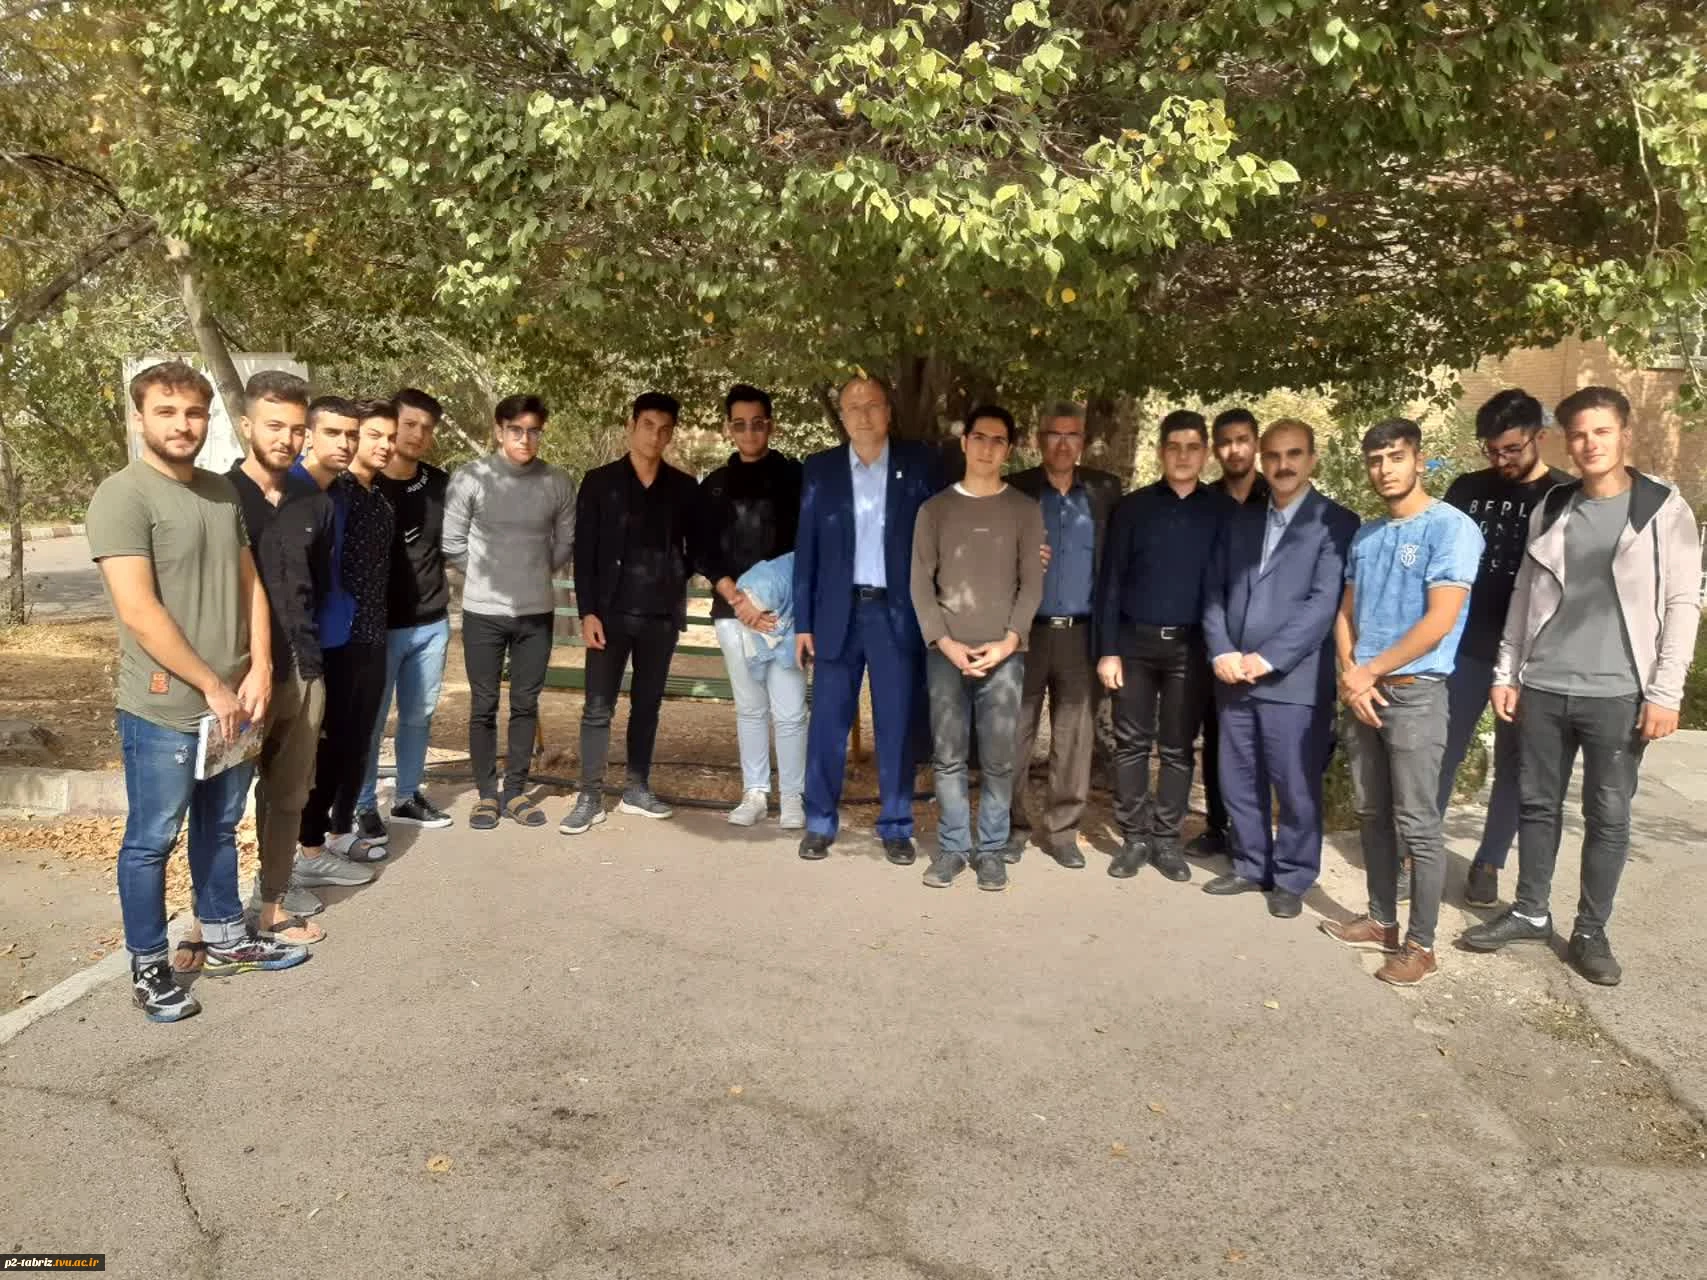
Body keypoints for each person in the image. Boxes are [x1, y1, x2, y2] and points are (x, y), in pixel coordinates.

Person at [87, 361, 307, 1022]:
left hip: (235, 704)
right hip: (165, 707)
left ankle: (225, 938)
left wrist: (260, 667)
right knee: (152, 839)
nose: (182, 425)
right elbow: (139, 611)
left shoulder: (218, 491)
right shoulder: (122, 497)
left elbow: (250, 583)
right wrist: (212, 685)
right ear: (138, 418)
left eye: (193, 413)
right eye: (166, 412)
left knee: (219, 825)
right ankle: (149, 965)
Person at [1464, 387, 1701, 986]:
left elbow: (1682, 602)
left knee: (1608, 815)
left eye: (1601, 431)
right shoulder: (1554, 506)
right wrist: (1507, 672)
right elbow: (1524, 593)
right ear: (1566, 442)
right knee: (1536, 804)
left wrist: (1665, 692)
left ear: (1625, 434)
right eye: (1578, 434)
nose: (1589, 443)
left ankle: (1591, 931)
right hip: (1543, 684)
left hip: (1618, 692)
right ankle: (1530, 911)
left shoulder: (1662, 508)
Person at [1322, 418, 1482, 986]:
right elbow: (1345, 613)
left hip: (1415, 696)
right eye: (1375, 460)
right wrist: (1352, 676)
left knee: (1418, 824)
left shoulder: (1451, 529)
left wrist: (1368, 671)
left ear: (1418, 459)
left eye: (1395, 457)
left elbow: (1439, 621)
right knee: (1371, 813)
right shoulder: (1366, 536)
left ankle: (1422, 946)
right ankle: (1382, 921)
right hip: (1363, 694)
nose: (1384, 469)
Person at [1201, 420, 1359, 917]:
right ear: (1262, 461)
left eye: (1293, 454)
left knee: (1294, 784)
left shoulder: (1337, 522)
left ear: (1312, 459)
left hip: (1294, 680)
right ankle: (1250, 864)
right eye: (1273, 455)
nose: (1283, 464)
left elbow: (1323, 604)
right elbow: (1213, 590)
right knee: (1238, 777)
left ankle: (1292, 876)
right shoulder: (1240, 519)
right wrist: (1221, 650)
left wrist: (1267, 658)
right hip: (1233, 676)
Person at [795, 375, 943, 865]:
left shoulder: (919, 466)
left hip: (895, 614)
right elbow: (807, 550)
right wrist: (802, 623)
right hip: (836, 615)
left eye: (872, 404)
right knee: (828, 723)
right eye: (853, 407)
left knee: (896, 723)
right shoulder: (821, 469)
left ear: (888, 411)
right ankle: (820, 821)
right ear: (842, 417)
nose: (863, 414)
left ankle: (896, 825)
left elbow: (946, 531)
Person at [1437, 389, 1570, 906]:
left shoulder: (1565, 496)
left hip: (1532, 657)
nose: (1501, 460)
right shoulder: (1467, 489)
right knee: (1440, 751)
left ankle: (1489, 861)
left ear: (1540, 436)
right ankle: (1415, 852)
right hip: (1464, 647)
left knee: (1515, 764)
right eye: (1492, 450)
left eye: (1512, 449)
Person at [911, 405, 1046, 891]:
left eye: (998, 440)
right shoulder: (935, 510)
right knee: (947, 757)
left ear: (1008, 450)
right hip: (946, 653)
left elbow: (1031, 585)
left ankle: (990, 851)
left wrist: (1009, 641)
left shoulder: (1025, 511)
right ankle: (952, 848)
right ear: (964, 442)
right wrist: (944, 641)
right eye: (980, 438)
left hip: (1004, 656)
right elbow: (920, 584)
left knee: (998, 760)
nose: (988, 448)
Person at [223, 371, 335, 945]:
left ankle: (271, 904)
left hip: (304, 671)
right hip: (237, 679)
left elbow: (318, 586)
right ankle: (213, 917)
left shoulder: (315, 501)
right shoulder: (218, 498)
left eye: (296, 429)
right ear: (246, 426)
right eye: (274, 426)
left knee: (289, 796)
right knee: (221, 807)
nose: (286, 439)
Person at [1096, 410, 1232, 882]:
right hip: (1134, 643)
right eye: (1174, 447)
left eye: (1193, 448)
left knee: (1177, 748)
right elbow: (1110, 582)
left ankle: (1167, 840)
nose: (1183, 456)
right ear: (1160, 452)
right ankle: (1134, 838)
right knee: (1131, 745)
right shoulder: (1133, 509)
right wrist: (1108, 649)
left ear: (1205, 454)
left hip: (1191, 649)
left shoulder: (1221, 512)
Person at [563, 392, 702, 834]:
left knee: (647, 706)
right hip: (609, 615)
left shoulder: (683, 488)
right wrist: (588, 612)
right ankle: (589, 796)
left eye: (664, 429)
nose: (655, 436)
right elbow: (584, 554)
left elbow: (696, 548)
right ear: (632, 426)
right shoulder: (599, 482)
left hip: (659, 617)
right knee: (597, 708)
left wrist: (677, 574)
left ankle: (637, 788)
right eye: (648, 426)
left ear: (671, 434)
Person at [443, 393, 576, 831]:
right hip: (482, 612)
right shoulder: (470, 477)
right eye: (516, 430)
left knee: (525, 703)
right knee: (483, 705)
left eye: (533, 431)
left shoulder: (557, 481)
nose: (525, 438)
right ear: (499, 431)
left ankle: (515, 791)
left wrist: (532, 571)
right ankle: (486, 794)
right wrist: (489, 577)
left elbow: (564, 542)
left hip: (536, 613)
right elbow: (452, 542)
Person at [1007, 402, 1123, 869]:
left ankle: (1062, 831)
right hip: (1024, 633)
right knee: (1013, 734)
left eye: (1071, 434)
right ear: (1039, 440)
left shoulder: (1105, 492)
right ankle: (1012, 826)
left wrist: (1112, 643)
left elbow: (1115, 568)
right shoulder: (1016, 490)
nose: (1062, 443)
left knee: (1074, 739)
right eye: (1053, 434)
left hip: (1081, 633)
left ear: (1083, 441)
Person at [280, 396, 379, 896]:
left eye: (351, 435)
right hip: (296, 647)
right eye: (334, 433)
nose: (345, 443)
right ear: (309, 436)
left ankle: (315, 849)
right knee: (299, 760)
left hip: (339, 637)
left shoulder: (338, 493)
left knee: (337, 746)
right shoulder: (287, 491)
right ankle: (291, 865)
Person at [697, 384, 807, 828]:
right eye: (739, 424)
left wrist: (770, 603)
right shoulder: (714, 486)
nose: (749, 433)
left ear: (771, 426)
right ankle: (755, 792)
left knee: (791, 711)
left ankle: (794, 798)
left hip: (784, 616)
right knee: (750, 708)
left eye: (757, 424)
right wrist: (737, 599)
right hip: (732, 613)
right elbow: (702, 549)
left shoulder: (796, 478)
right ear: (729, 428)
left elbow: (809, 544)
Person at [297, 399, 396, 870]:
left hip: (374, 633)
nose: (384, 445)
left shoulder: (379, 498)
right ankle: (310, 844)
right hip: (336, 637)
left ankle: (341, 832)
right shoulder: (334, 494)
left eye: (389, 437)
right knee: (330, 744)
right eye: (373, 435)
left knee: (359, 739)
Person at [355, 388, 455, 840]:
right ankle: (361, 803)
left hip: (431, 622)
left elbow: (454, 546)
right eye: (409, 424)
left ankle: (407, 796)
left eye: (426, 428)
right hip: (377, 627)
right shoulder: (364, 482)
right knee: (372, 720)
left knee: (419, 714)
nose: (417, 434)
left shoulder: (440, 484)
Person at [1192, 407, 1271, 857]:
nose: (1234, 449)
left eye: (1242, 440)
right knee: (1217, 734)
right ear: (1214, 450)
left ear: (1255, 443)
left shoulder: (1277, 495)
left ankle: (1256, 833)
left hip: (1265, 638)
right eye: (1225, 442)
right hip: (1214, 635)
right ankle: (1218, 825)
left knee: (1262, 738)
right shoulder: (1205, 501)